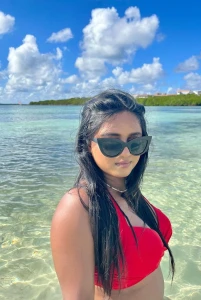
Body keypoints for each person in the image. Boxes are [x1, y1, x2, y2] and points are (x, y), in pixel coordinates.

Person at [50, 89, 175, 300]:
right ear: (87, 144)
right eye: (111, 144)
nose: (126, 153)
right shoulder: (78, 207)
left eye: (135, 143)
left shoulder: (127, 190)